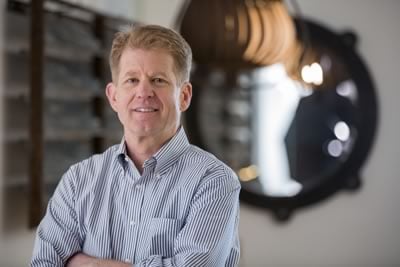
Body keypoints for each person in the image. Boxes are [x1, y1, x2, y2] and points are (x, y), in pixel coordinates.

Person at [30, 24, 241, 267]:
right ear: (113, 96)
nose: (143, 92)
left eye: (158, 80)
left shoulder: (214, 181)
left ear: (184, 96)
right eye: (131, 80)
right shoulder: (78, 181)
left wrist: (87, 264)